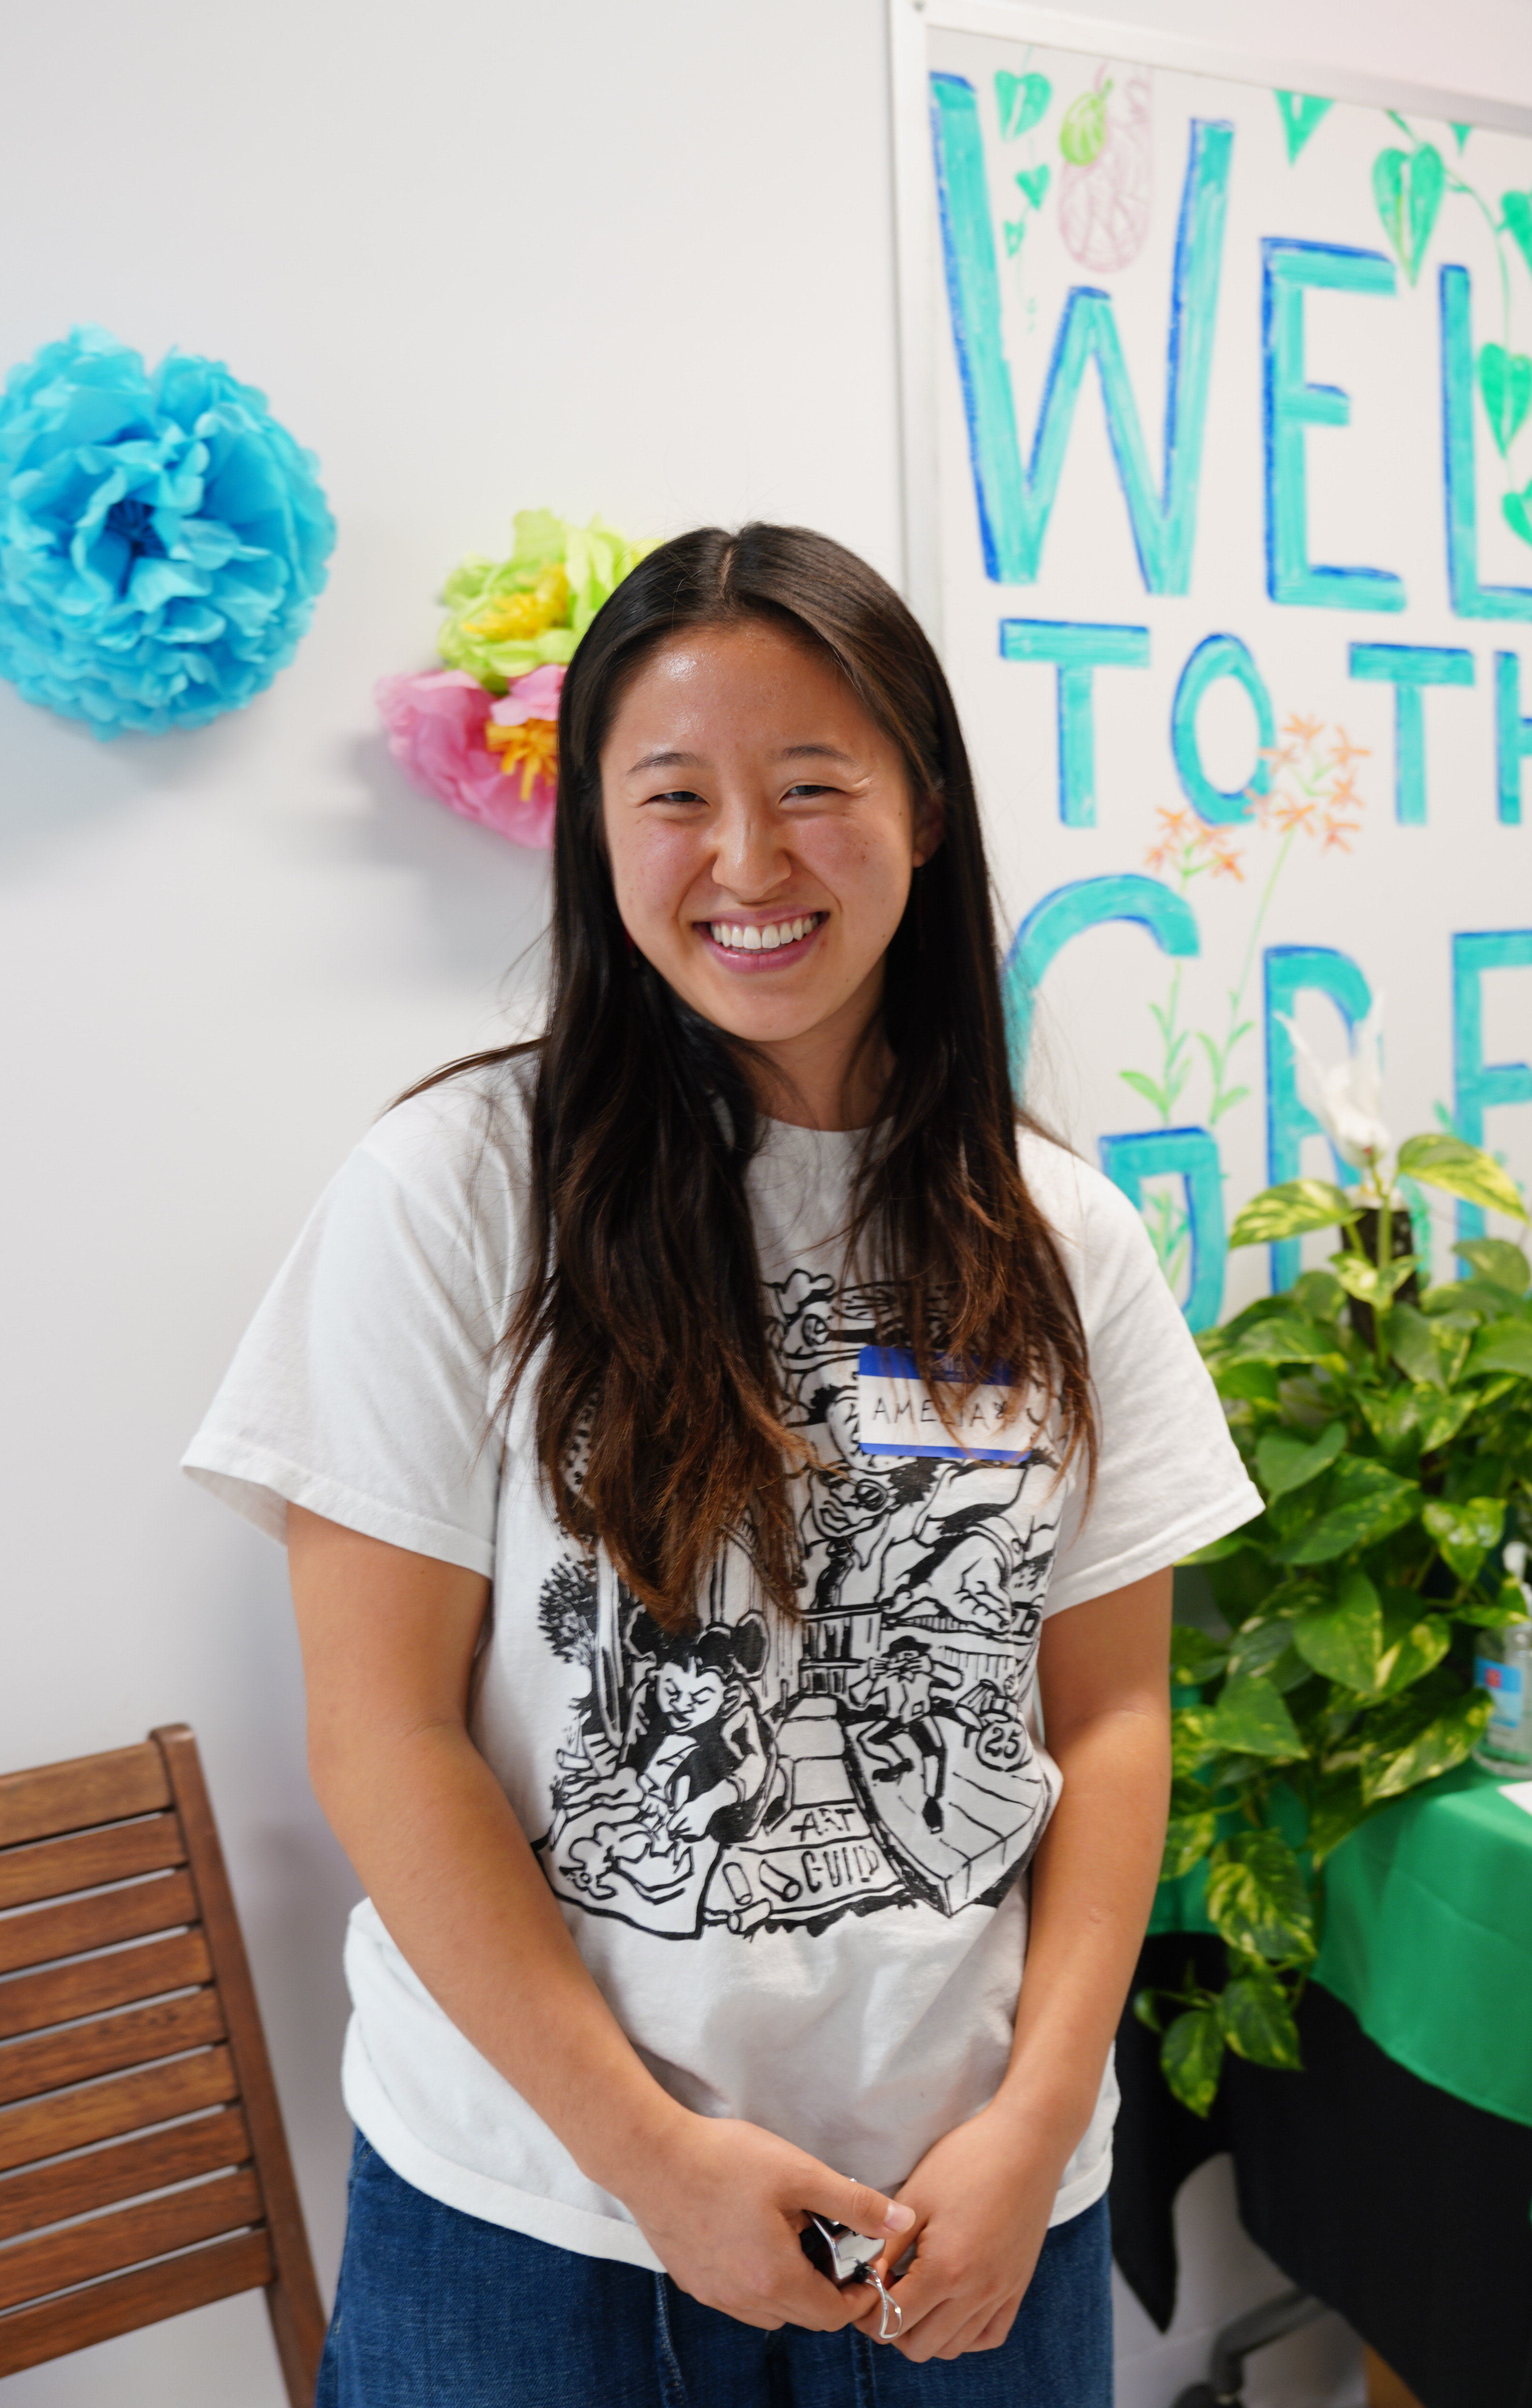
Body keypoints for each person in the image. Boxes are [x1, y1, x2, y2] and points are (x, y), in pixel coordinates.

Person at [186, 526, 1259, 2404]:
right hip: (536, 2210)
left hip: (967, 2207)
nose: (748, 863)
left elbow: (1110, 1727)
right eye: (674, 797)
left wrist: (1036, 2120)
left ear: (921, 813)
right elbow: (384, 1734)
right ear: (595, 836)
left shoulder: (1058, 1237)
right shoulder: (451, 1194)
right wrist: (651, 2156)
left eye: (814, 789)